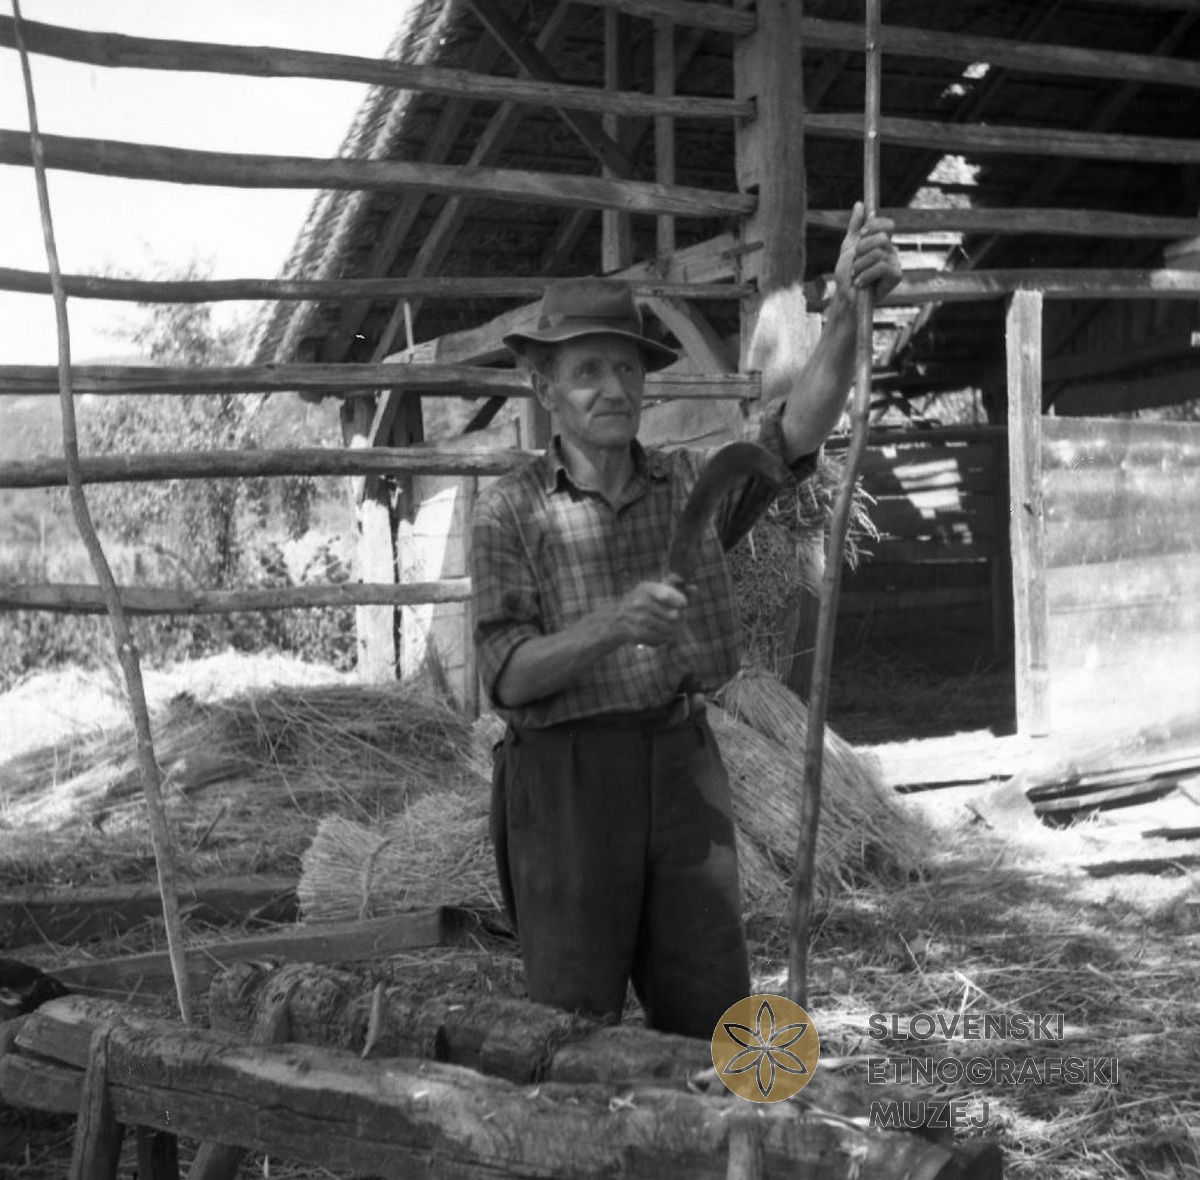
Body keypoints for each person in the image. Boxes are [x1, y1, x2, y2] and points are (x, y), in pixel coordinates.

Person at [470, 204, 901, 1039]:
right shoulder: (510, 514)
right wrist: (613, 624)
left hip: (680, 767)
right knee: (573, 1029)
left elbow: (794, 432)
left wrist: (847, 311)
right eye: (587, 371)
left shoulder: (689, 487)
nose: (613, 388)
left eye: (627, 368)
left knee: (715, 1016)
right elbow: (506, 675)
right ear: (544, 389)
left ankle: (721, 1121)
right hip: (565, 786)